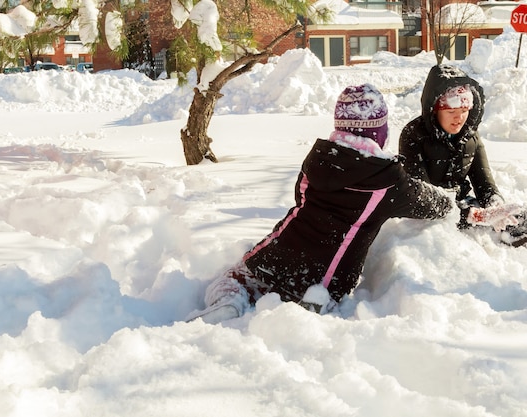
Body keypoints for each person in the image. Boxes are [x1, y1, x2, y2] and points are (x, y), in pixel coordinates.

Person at [187, 83, 453, 324]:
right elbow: (432, 204)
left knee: (233, 280)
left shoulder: (315, 161)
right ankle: (307, 310)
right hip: (326, 279)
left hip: (275, 255)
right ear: (379, 133)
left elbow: (300, 200)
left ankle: (228, 302)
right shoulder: (389, 182)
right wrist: (456, 205)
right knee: (313, 298)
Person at [398, 64, 527, 250]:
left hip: (464, 204)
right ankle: (508, 242)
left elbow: (484, 183)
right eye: (451, 112)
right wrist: (474, 215)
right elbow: (420, 197)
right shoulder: (413, 135)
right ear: (434, 109)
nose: (459, 118)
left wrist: (496, 207)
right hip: (429, 214)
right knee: (466, 231)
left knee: (517, 215)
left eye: (464, 111)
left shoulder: (469, 136)